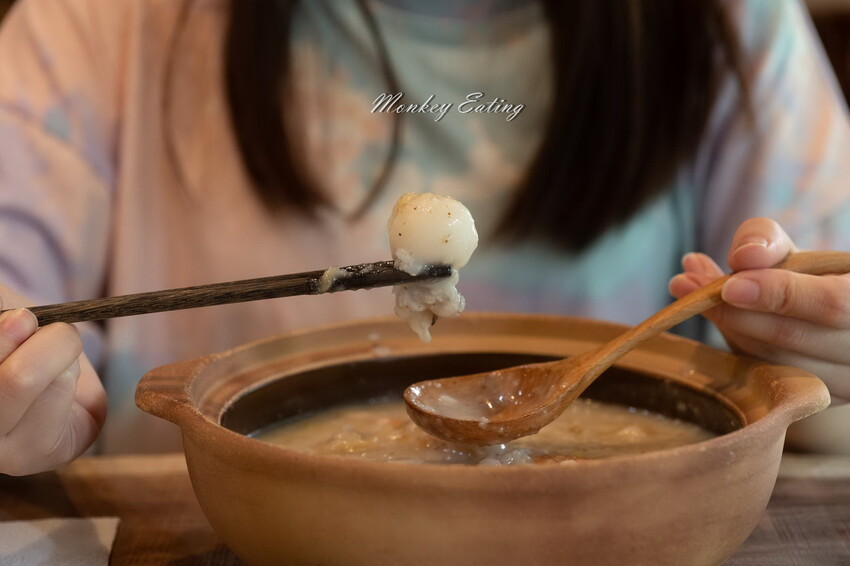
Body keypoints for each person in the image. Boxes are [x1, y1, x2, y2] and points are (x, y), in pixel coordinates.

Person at [0, 0, 847, 476]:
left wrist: (817, 354)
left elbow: (823, 413)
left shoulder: (730, 23)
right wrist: (25, 388)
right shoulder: (103, 21)